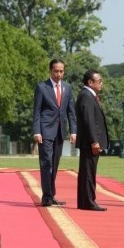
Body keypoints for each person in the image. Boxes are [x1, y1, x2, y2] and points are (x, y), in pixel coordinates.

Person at [33, 59, 77, 207]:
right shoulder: (42, 87)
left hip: (60, 132)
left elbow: (71, 112)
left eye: (61, 71)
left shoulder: (67, 88)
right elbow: (37, 112)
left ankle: (51, 195)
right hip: (45, 131)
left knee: (55, 164)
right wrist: (37, 131)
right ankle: (46, 197)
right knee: (46, 163)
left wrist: (73, 131)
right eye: (56, 71)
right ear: (50, 71)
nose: (59, 74)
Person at [75, 69, 109, 211]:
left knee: (87, 172)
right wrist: (94, 141)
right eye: (99, 81)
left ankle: (85, 201)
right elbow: (89, 121)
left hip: (90, 142)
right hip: (90, 143)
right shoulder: (86, 96)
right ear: (90, 82)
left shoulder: (88, 96)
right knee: (88, 172)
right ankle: (88, 201)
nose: (101, 83)